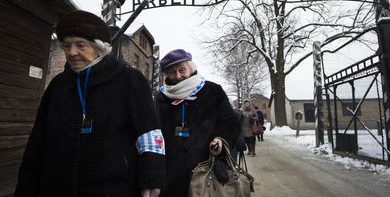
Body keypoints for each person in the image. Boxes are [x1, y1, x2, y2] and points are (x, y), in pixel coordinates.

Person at [14, 10, 165, 197]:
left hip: (113, 188)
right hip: (55, 188)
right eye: (67, 45)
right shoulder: (58, 86)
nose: (72, 52)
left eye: (80, 45)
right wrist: (26, 187)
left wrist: (152, 175)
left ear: (98, 47)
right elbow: (38, 141)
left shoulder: (129, 80)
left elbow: (149, 132)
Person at [155, 49, 240, 197]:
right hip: (170, 174)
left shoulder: (212, 91)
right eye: (172, 72)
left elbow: (230, 122)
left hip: (207, 171)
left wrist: (220, 138)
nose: (178, 76)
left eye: (182, 70)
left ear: (191, 68)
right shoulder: (161, 98)